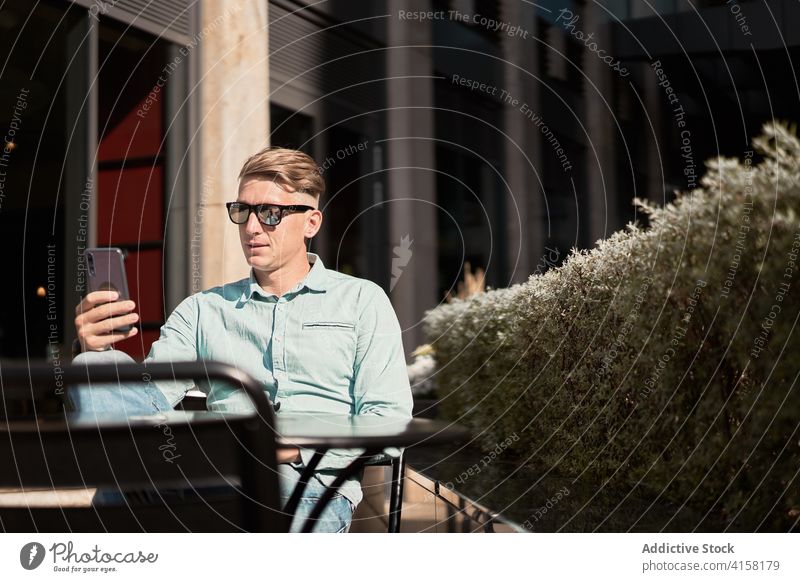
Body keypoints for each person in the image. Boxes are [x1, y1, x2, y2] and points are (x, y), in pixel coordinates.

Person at [70, 147, 413, 532]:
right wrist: (95, 350)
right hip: (202, 476)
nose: (251, 228)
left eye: (271, 214)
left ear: (311, 223)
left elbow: (389, 422)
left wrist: (295, 450)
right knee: (96, 367)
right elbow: (145, 398)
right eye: (242, 211)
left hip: (307, 488)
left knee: (120, 500)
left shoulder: (361, 301)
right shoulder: (203, 310)